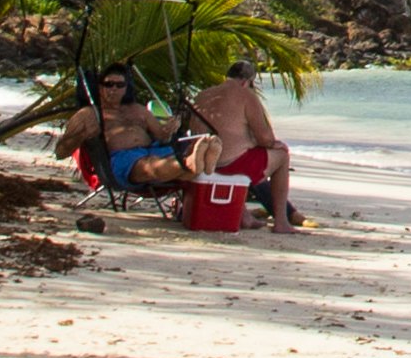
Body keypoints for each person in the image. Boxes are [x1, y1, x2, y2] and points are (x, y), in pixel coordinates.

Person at [185, 59, 298, 232]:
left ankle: (244, 216)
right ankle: (281, 221)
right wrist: (275, 144)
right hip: (228, 165)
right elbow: (265, 138)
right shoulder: (246, 95)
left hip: (201, 162)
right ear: (247, 81)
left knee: (244, 150)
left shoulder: (203, 94)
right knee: (282, 156)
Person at [54, 66, 198, 198]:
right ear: (99, 87)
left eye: (119, 85)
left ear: (125, 88)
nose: (114, 89)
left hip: (153, 150)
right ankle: (191, 162)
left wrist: (169, 130)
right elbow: (60, 153)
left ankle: (193, 160)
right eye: (109, 84)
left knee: (185, 157)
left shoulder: (138, 110)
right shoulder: (89, 114)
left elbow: (161, 137)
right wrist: (80, 136)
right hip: (124, 160)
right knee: (154, 165)